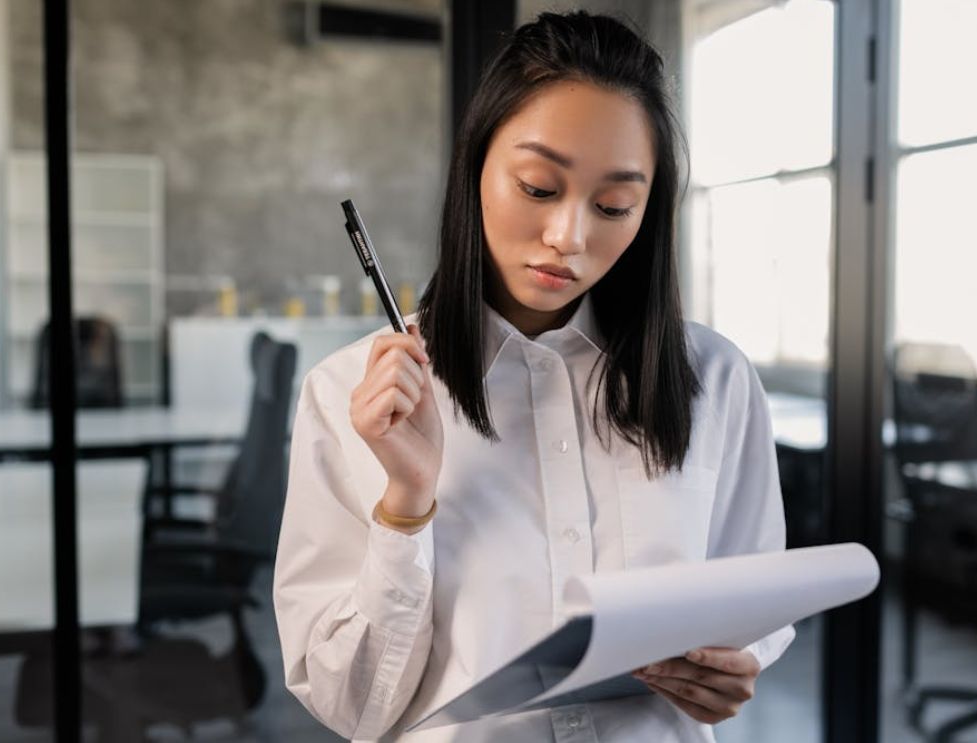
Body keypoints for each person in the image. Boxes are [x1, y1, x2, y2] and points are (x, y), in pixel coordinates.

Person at [273, 10, 794, 742]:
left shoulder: (714, 378)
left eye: (614, 205)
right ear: (476, 166)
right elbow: (352, 707)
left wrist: (735, 663)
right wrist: (406, 501)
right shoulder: (346, 394)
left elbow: (751, 605)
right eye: (539, 188)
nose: (568, 237)